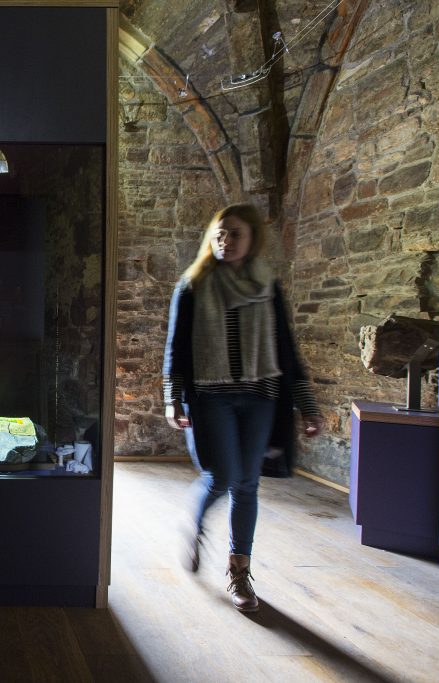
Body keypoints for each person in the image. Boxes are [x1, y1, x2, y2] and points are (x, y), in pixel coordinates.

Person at [162, 203, 322, 613]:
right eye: (219, 233)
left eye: (234, 234)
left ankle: (239, 572)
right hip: (212, 396)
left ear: (251, 240)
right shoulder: (193, 285)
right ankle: (193, 523)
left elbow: (286, 349)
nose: (225, 241)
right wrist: (172, 399)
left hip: (261, 397)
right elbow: (176, 350)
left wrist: (307, 406)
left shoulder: (267, 286)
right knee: (222, 475)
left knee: (248, 484)